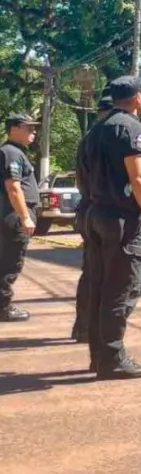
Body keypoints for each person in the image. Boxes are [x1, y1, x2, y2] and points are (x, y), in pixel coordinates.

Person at [82, 75, 141, 379]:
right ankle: (112, 358)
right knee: (121, 289)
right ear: (137, 97)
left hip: (95, 212)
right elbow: (139, 178)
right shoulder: (131, 129)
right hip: (121, 220)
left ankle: (99, 357)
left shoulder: (95, 131)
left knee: (99, 287)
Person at [71, 88, 114, 341]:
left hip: (88, 208)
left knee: (91, 271)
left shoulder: (89, 137)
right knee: (100, 273)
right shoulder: (105, 137)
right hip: (102, 209)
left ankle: (84, 326)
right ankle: (90, 328)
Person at [0, 115, 40, 323]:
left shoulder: (15, 152)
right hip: (14, 216)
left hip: (13, 214)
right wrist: (25, 217)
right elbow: (14, 187)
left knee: (7, 261)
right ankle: (3, 308)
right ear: (14, 129)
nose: (33, 132)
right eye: (29, 128)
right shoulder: (11, 153)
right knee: (10, 264)